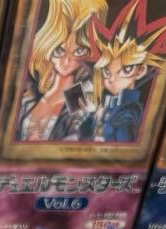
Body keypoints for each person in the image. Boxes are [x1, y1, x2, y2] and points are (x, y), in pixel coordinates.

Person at [83, 0, 166, 143]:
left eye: (124, 70)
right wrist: (90, 114)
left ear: (141, 70)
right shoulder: (108, 104)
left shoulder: (129, 111)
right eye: (106, 72)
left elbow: (125, 143)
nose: (111, 79)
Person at [16, 0, 106, 142]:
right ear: (48, 45)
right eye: (59, 50)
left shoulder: (82, 101)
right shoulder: (28, 97)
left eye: (78, 51)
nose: (66, 60)